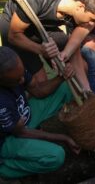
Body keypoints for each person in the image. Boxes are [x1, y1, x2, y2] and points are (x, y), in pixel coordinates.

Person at [0, 0, 95, 91]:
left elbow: (75, 51)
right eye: (92, 20)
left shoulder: (76, 10)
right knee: (39, 83)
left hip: (43, 26)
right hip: (14, 28)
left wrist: (87, 91)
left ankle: (79, 100)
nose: (92, 25)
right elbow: (13, 36)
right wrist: (41, 50)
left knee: (81, 67)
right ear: (80, 7)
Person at [0, 46, 81, 179]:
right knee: (55, 156)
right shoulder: (2, 102)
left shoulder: (14, 70)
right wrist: (63, 138)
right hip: (7, 138)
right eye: (16, 80)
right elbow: (22, 133)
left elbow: (37, 90)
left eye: (22, 75)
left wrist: (62, 77)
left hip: (22, 117)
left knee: (65, 87)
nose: (22, 80)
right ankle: (5, 168)